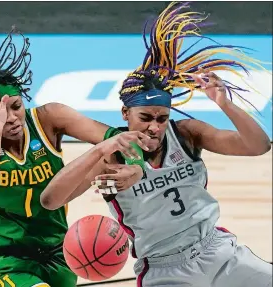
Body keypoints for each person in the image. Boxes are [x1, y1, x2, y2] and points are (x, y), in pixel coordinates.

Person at [40, 2, 272, 287]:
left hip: (217, 251)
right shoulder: (111, 156)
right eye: (146, 117)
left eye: (162, 118)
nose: (154, 126)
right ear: (126, 114)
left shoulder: (187, 134)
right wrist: (100, 149)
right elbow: (49, 200)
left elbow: (258, 146)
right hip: (164, 269)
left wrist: (224, 104)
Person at [0, 28, 150, 287]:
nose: (13, 117)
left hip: (59, 256)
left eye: (16, 106)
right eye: (3, 112)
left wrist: (137, 167)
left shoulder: (49, 119)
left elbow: (117, 137)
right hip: (5, 262)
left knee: (110, 157)